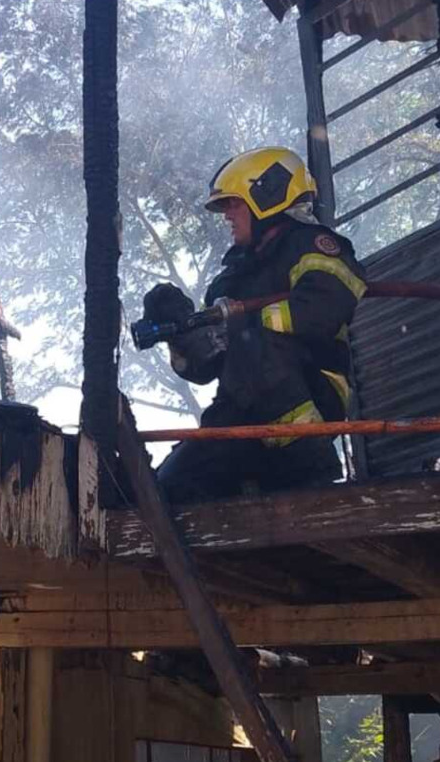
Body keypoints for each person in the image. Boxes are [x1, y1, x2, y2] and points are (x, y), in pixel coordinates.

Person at [144, 147, 367, 502]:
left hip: (313, 394)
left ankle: (311, 459)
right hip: (242, 413)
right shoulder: (230, 279)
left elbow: (324, 307)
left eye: (234, 204)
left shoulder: (312, 245)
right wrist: (183, 333)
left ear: (268, 194)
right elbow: (208, 366)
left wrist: (247, 321)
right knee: (167, 488)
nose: (227, 215)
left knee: (252, 343)